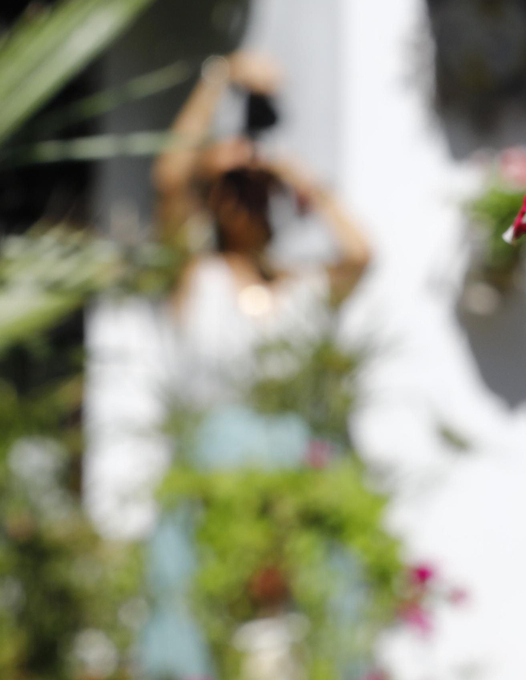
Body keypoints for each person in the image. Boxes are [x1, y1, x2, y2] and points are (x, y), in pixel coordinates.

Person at [105, 51, 374, 680]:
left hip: (297, 475)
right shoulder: (194, 280)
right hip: (210, 475)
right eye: (231, 194)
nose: (245, 204)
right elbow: (169, 178)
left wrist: (293, 173)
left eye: (256, 195)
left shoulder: (304, 289)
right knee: (197, 621)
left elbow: (362, 254)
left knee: (316, 633)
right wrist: (219, 81)